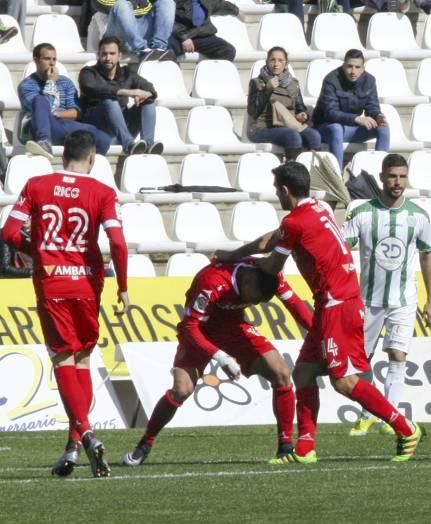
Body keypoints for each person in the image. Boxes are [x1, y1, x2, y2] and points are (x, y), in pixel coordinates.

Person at [218, 161, 425, 464]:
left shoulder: (294, 223)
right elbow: (269, 241)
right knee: (303, 373)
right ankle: (305, 449)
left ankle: (405, 427)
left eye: (278, 190)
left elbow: (273, 265)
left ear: (286, 191)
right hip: (338, 300)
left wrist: (244, 266)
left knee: (343, 381)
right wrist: (234, 255)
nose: (277, 195)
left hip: (336, 304)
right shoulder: (318, 208)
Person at [0, 130, 130, 477]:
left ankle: (85, 434)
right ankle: (72, 449)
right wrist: (124, 287)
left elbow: (9, 234)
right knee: (84, 357)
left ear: (62, 156)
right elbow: (118, 243)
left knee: (62, 357)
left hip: (52, 282)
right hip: (88, 284)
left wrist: (39, 251)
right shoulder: (103, 192)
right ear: (92, 159)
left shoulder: (37, 185)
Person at [121, 261, 313, 466]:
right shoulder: (212, 281)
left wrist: (320, 335)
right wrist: (221, 357)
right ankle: (145, 444)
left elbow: (295, 305)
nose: (255, 304)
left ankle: (285, 447)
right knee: (181, 389)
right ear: (247, 281)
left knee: (281, 372)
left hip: (234, 328)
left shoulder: (269, 273)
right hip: (199, 332)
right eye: (254, 299)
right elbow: (190, 326)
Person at [343, 154, 431, 437]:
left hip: (403, 300)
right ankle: (367, 413)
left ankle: (390, 416)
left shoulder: (418, 215)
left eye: (402, 177)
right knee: (361, 360)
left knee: (397, 355)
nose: (398, 182)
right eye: (393, 176)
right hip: (367, 300)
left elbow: (427, 257)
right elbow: (342, 252)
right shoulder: (361, 213)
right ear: (382, 177)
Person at [18, 43, 112, 159]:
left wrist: (56, 115)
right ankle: (43, 142)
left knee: (104, 139)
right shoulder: (27, 85)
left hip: (64, 125)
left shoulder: (65, 82)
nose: (52, 63)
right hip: (39, 127)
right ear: (36, 60)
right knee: (39, 100)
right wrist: (50, 82)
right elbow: (39, 112)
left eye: (54, 59)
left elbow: (75, 112)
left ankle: (86, 169)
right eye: (47, 59)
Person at [79, 36, 163, 156]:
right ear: (98, 55)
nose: (108, 58)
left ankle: (149, 145)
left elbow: (150, 88)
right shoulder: (88, 73)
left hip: (123, 125)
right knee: (109, 101)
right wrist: (128, 92)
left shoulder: (127, 74)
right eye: (104, 54)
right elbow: (93, 88)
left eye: (112, 53)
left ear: (120, 56)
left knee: (148, 101)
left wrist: (146, 94)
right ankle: (129, 145)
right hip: (98, 127)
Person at [312, 49, 390, 171]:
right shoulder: (331, 80)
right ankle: (337, 178)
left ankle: (380, 175)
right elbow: (330, 113)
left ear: (363, 68)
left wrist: (378, 116)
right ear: (343, 66)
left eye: (357, 67)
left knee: (383, 128)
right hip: (326, 128)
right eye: (350, 66)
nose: (353, 71)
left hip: (351, 129)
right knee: (336, 128)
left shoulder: (369, 80)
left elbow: (372, 106)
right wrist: (356, 118)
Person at [247, 46, 322, 159]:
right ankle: (291, 172)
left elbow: (300, 107)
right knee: (292, 136)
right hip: (262, 127)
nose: (276, 64)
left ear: (286, 64)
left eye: (280, 60)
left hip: (288, 125)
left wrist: (303, 115)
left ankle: (312, 170)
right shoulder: (256, 83)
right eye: (272, 60)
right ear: (267, 62)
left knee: (314, 136)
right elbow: (253, 111)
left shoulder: (293, 83)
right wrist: (267, 90)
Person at [97, 0, 177, 62]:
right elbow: (107, 5)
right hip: (117, 36)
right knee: (121, 4)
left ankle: (159, 49)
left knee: (167, 2)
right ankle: (142, 50)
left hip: (140, 31)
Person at [167, 0, 238, 61]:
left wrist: (237, 11)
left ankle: (211, 75)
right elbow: (167, 18)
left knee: (228, 50)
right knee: (168, 53)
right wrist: (184, 37)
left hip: (202, 35)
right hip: (178, 37)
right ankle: (174, 75)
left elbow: (219, 5)